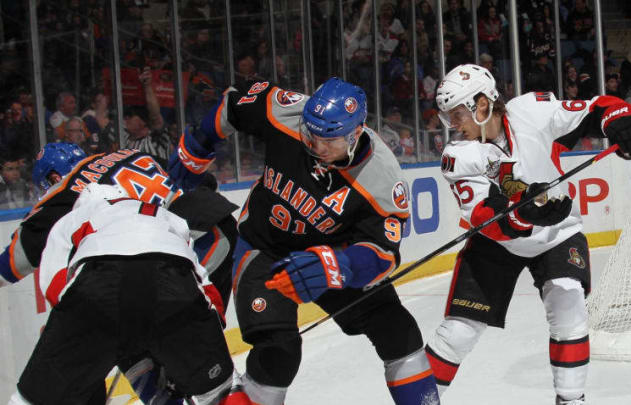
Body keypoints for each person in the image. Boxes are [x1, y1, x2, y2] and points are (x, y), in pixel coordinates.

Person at [168, 77, 440, 405]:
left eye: (330, 140)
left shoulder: (382, 178)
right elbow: (235, 103)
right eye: (311, 135)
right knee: (278, 353)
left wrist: (340, 265)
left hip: (332, 254)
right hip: (263, 248)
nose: (317, 147)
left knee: (398, 330)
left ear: (356, 132)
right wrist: (198, 142)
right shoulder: (288, 113)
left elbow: (384, 253)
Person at [424, 64, 631, 405]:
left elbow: (595, 108)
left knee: (568, 300)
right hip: (497, 242)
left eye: (456, 114)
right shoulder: (457, 156)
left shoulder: (531, 110)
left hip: (557, 232)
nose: (452, 125)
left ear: (482, 104)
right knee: (458, 332)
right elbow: (484, 217)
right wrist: (522, 214)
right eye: (447, 117)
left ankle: (571, 400)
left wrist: (620, 120)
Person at [7, 183, 247, 405]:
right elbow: (200, 281)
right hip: (171, 278)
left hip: (100, 284)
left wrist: (75, 335)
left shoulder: (75, 217)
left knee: (31, 398)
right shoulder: (163, 215)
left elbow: (54, 284)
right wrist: (206, 340)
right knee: (222, 390)